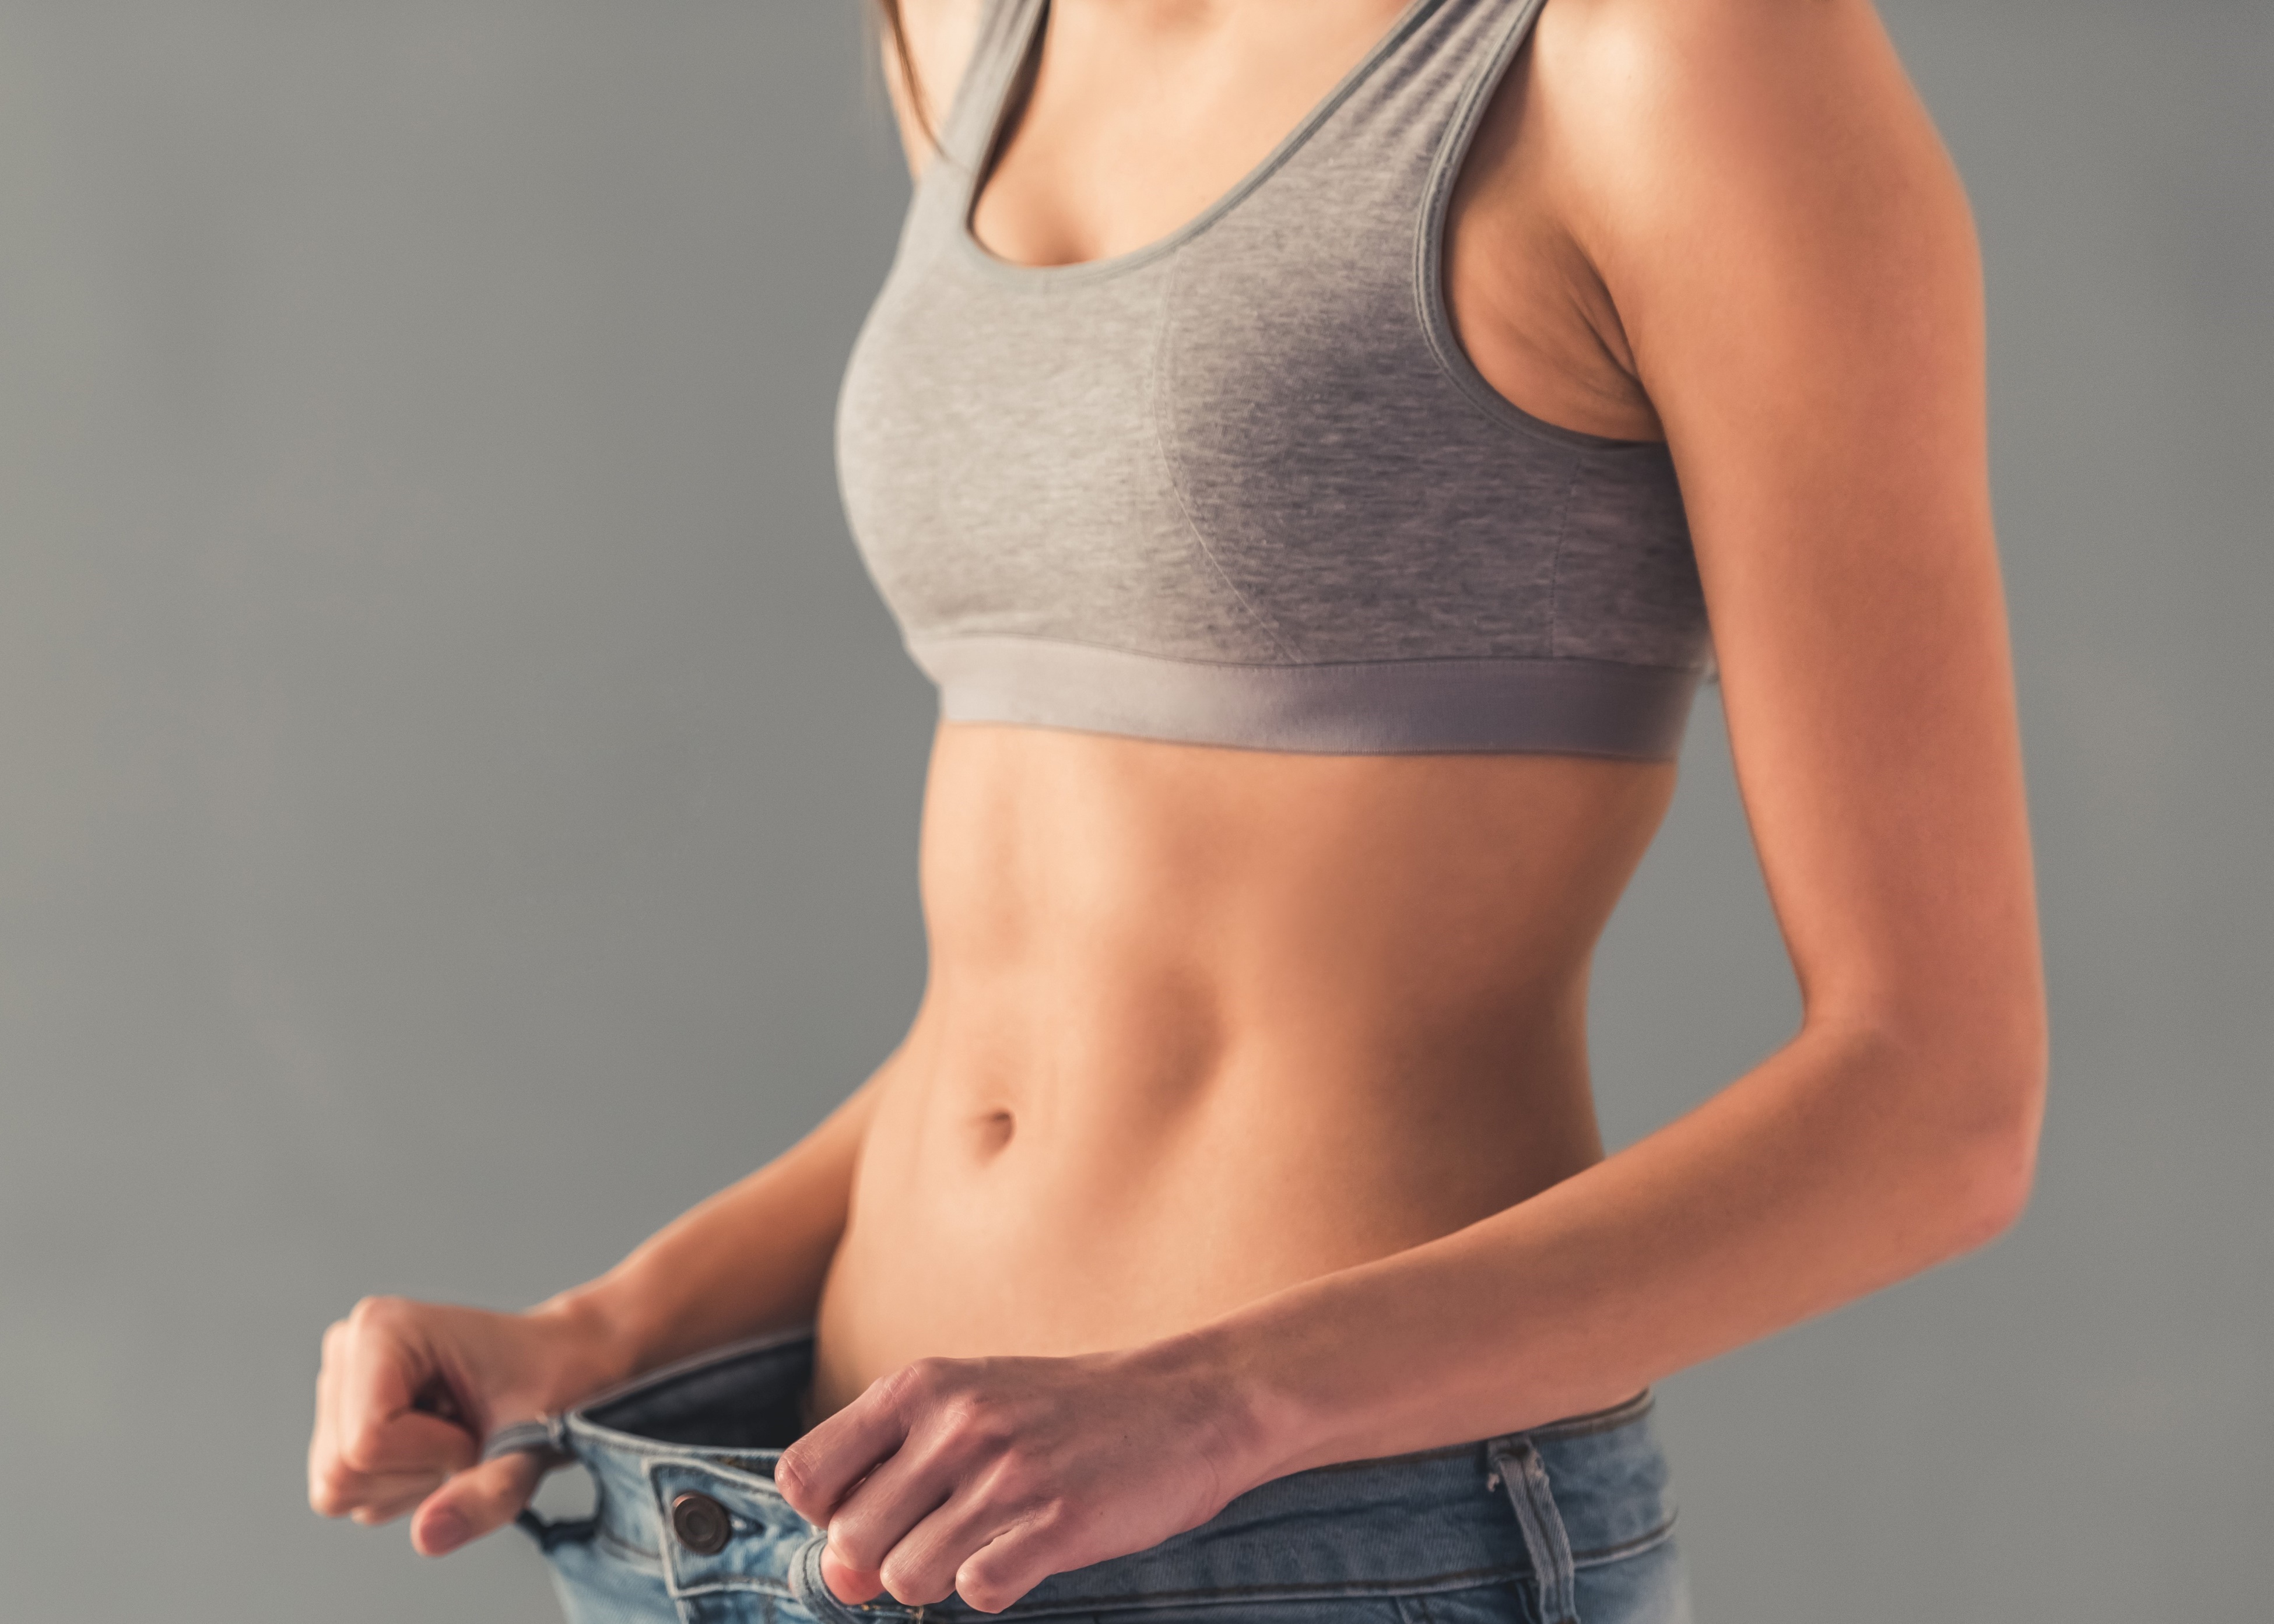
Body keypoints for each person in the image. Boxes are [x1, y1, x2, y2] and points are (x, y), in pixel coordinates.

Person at [307, 1, 2046, 1620]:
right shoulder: (970, 26)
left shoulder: (1675, 52)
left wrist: (1222, 1401)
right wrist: (602, 1326)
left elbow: (1937, 1100)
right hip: (811, 1519)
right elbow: (1084, 1005)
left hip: (1314, 1542)